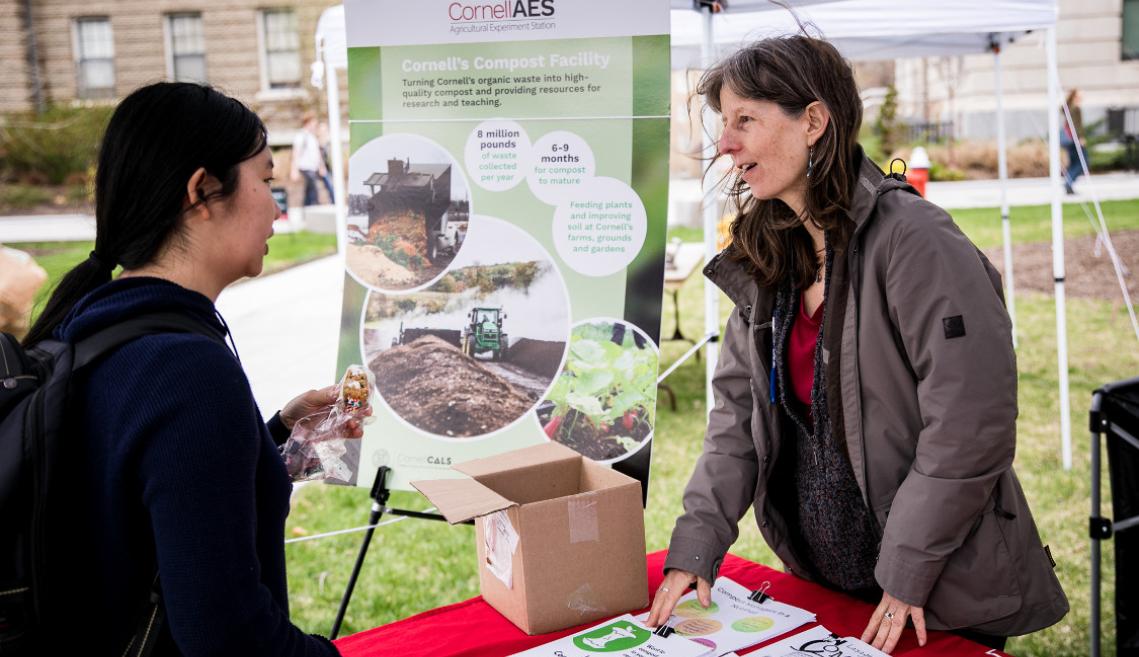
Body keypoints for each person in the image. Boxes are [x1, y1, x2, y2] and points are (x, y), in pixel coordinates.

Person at [645, 36, 1068, 654]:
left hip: (934, 597)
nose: (724, 144)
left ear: (813, 121)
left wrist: (904, 573)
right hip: (826, 590)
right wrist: (695, 548)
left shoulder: (917, 242)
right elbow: (736, 421)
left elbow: (971, 425)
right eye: (722, 123)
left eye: (745, 121)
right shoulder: (770, 255)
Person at [22, 82, 358, 655]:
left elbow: (146, 500)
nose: (278, 209)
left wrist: (274, 432)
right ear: (202, 190)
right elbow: (229, 638)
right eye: (267, 181)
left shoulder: (94, 323)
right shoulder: (185, 369)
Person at [291, 111, 327, 206]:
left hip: (313, 167)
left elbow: (317, 154)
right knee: (314, 188)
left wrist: (321, 166)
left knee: (309, 190)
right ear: (308, 123)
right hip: (305, 167)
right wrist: (294, 170)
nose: (315, 125)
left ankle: (307, 208)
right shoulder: (301, 136)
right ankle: (315, 206)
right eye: (313, 123)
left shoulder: (312, 136)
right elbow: (296, 153)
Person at [1061, 88, 1086, 194]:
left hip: (1069, 140)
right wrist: (1080, 138)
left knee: (1074, 163)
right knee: (1082, 163)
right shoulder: (1076, 108)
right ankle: (1069, 183)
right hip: (1074, 140)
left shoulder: (1068, 108)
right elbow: (1076, 125)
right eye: (1079, 95)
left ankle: (1068, 184)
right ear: (1075, 97)